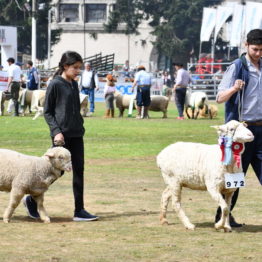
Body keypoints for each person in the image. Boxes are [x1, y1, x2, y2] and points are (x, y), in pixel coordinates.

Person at [23, 51, 99, 222]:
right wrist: (56, 131)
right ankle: (31, 199)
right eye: (75, 68)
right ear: (65, 66)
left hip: (77, 134)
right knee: (56, 172)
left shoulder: (73, 84)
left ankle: (79, 211)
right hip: (61, 137)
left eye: (79, 68)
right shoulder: (55, 84)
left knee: (79, 171)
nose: (78, 71)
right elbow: (48, 112)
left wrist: (79, 124)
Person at [216, 28, 262, 227]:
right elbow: (219, 98)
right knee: (235, 179)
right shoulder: (237, 67)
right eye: (255, 49)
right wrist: (234, 88)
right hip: (239, 133)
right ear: (246, 45)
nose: (259, 53)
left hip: (260, 131)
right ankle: (223, 216)